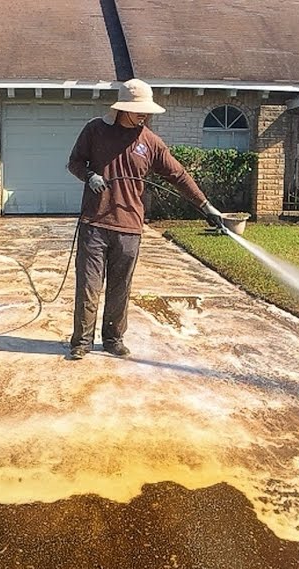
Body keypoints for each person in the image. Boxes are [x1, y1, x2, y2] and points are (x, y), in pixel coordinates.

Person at [64, 78, 224, 361]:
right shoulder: (95, 130)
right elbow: (74, 162)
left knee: (120, 288)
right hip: (95, 224)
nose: (144, 115)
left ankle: (113, 339)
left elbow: (178, 175)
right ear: (122, 108)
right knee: (89, 285)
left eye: (146, 111)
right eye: (138, 110)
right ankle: (82, 341)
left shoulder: (150, 142)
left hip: (130, 227)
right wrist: (90, 176)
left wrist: (206, 205)